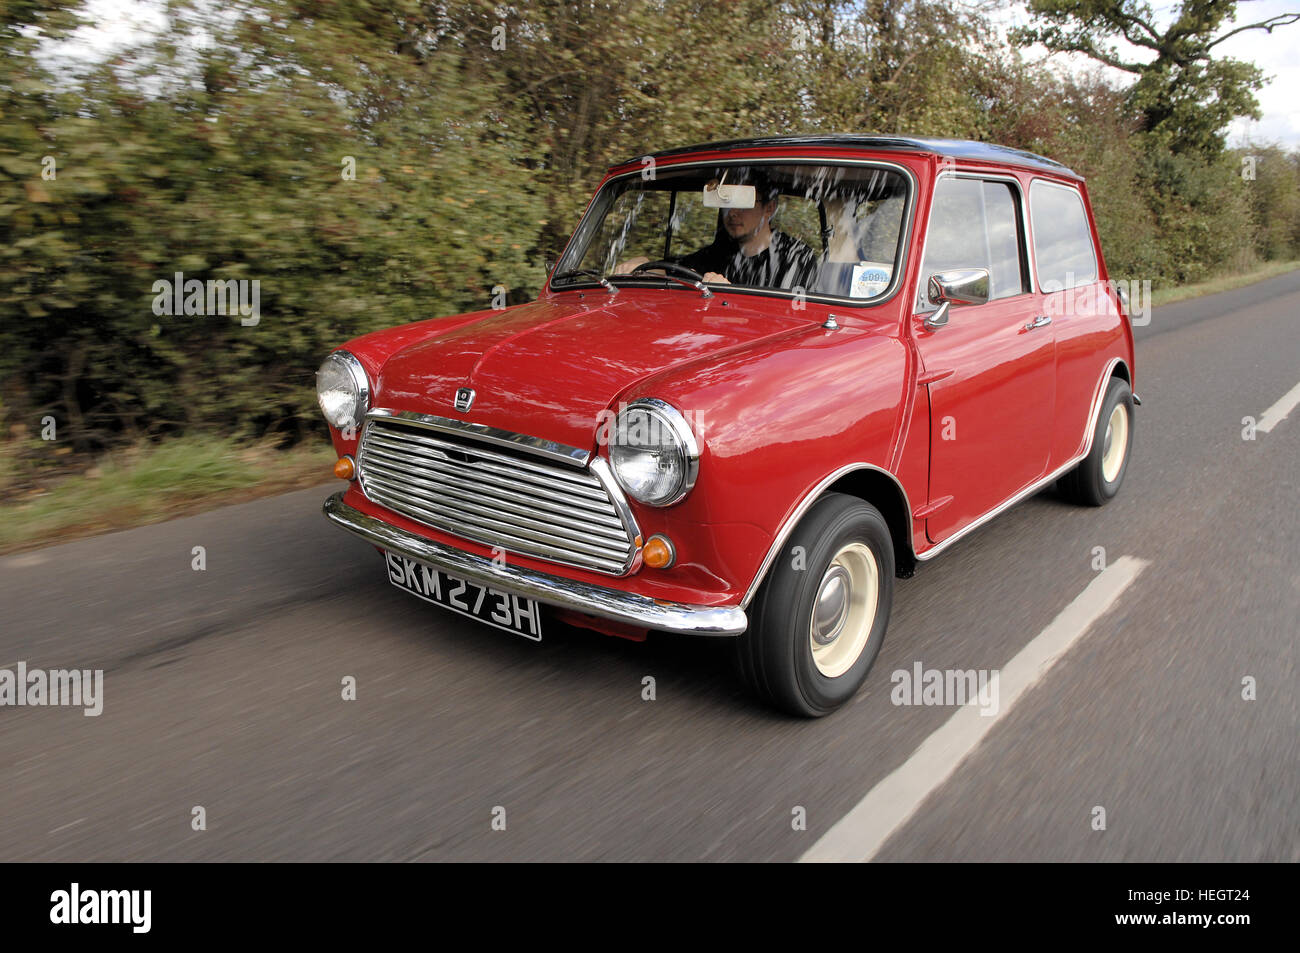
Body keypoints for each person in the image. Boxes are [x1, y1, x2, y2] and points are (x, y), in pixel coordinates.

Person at [615, 173, 816, 291]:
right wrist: (643, 264)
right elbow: (672, 271)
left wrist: (730, 294)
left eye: (742, 203)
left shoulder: (796, 258)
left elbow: (788, 322)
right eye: (727, 204)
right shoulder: (718, 253)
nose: (732, 213)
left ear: (769, 208)